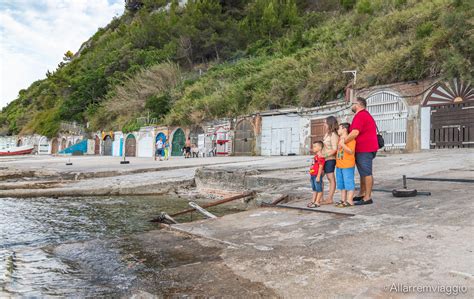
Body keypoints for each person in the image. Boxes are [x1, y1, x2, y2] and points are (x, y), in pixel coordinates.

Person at [344, 97, 379, 205]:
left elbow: (354, 133)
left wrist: (343, 142)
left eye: (352, 104)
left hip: (365, 149)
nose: (351, 106)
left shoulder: (360, 115)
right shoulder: (364, 115)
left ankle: (367, 197)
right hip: (364, 148)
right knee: (363, 172)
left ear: (358, 105)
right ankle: (362, 193)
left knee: (367, 172)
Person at [335, 123, 356, 207]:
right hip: (339, 165)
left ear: (344, 129)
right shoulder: (340, 139)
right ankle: (343, 200)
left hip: (347, 165)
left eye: (339, 128)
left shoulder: (350, 139)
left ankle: (350, 200)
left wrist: (343, 144)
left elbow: (351, 151)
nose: (337, 130)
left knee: (349, 183)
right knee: (341, 184)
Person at [321, 116, 339, 205]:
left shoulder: (333, 135)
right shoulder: (327, 134)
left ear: (330, 124)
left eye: (325, 123)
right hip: (323, 159)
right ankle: (321, 198)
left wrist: (325, 155)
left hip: (330, 159)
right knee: (319, 177)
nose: (324, 125)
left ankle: (330, 198)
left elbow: (335, 149)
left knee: (330, 178)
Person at [307, 141, 325, 208]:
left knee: (319, 189)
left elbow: (321, 167)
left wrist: (318, 176)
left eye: (315, 146)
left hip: (317, 175)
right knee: (314, 189)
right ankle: (313, 201)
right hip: (313, 175)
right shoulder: (316, 156)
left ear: (320, 148)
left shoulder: (321, 157)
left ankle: (317, 202)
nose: (313, 148)